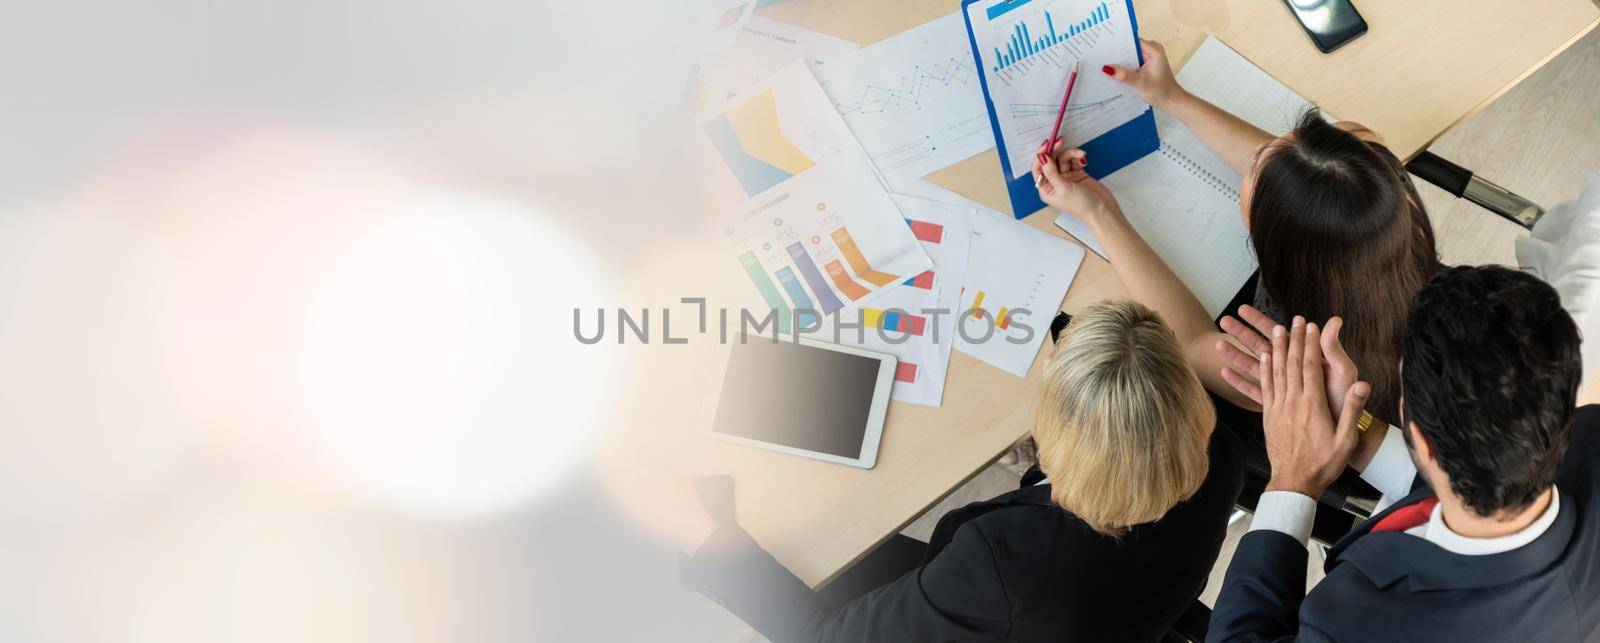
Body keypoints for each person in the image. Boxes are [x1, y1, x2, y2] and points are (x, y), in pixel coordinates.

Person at [679, 300, 1244, 641]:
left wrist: (712, 543)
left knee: (819, 543)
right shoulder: (1222, 451)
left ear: (1055, 441)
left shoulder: (1000, 563)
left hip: (1023, 615)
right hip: (1117, 608)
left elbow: (822, 637)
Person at [1207, 265, 1600, 641]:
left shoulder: (1359, 627)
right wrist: (1353, 424)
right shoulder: (1588, 436)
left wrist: (1293, 479)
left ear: (1422, 442)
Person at [1065, 39, 1442, 426]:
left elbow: (1194, 342)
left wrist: (1098, 211)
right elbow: (1299, 170)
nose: (1259, 151)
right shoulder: (1371, 164)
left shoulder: (1291, 372)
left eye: (1257, 180)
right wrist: (1171, 97)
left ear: (1272, 246)